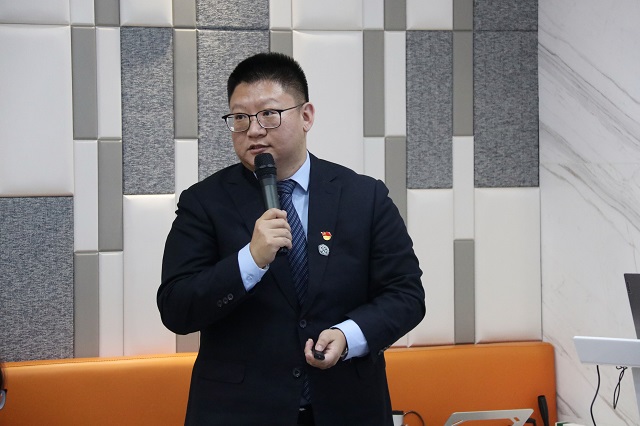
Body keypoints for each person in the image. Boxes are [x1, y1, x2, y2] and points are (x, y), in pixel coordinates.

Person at [158, 52, 425, 426]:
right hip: (238, 412)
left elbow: (406, 295)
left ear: (306, 116)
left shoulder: (364, 197)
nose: (254, 130)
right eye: (240, 118)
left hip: (347, 408)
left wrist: (349, 335)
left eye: (269, 114)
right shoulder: (204, 202)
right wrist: (250, 261)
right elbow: (176, 308)